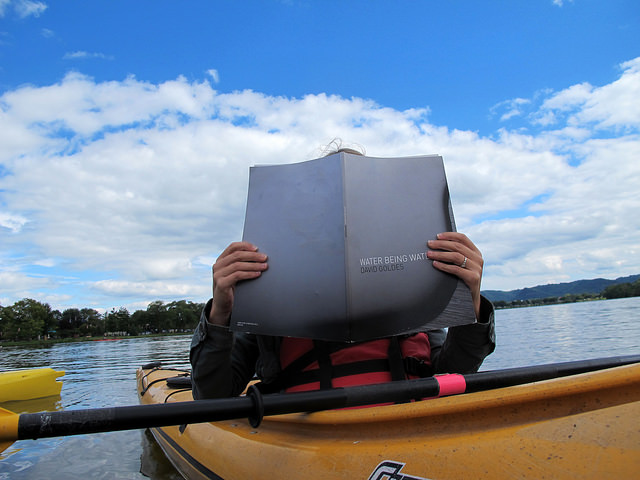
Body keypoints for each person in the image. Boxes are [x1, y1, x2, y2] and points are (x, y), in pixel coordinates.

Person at [190, 151, 495, 400]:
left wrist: (472, 303)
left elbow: (454, 374)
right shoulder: (267, 299)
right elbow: (212, 396)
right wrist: (220, 314)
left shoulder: (413, 291)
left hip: (409, 422)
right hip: (305, 438)